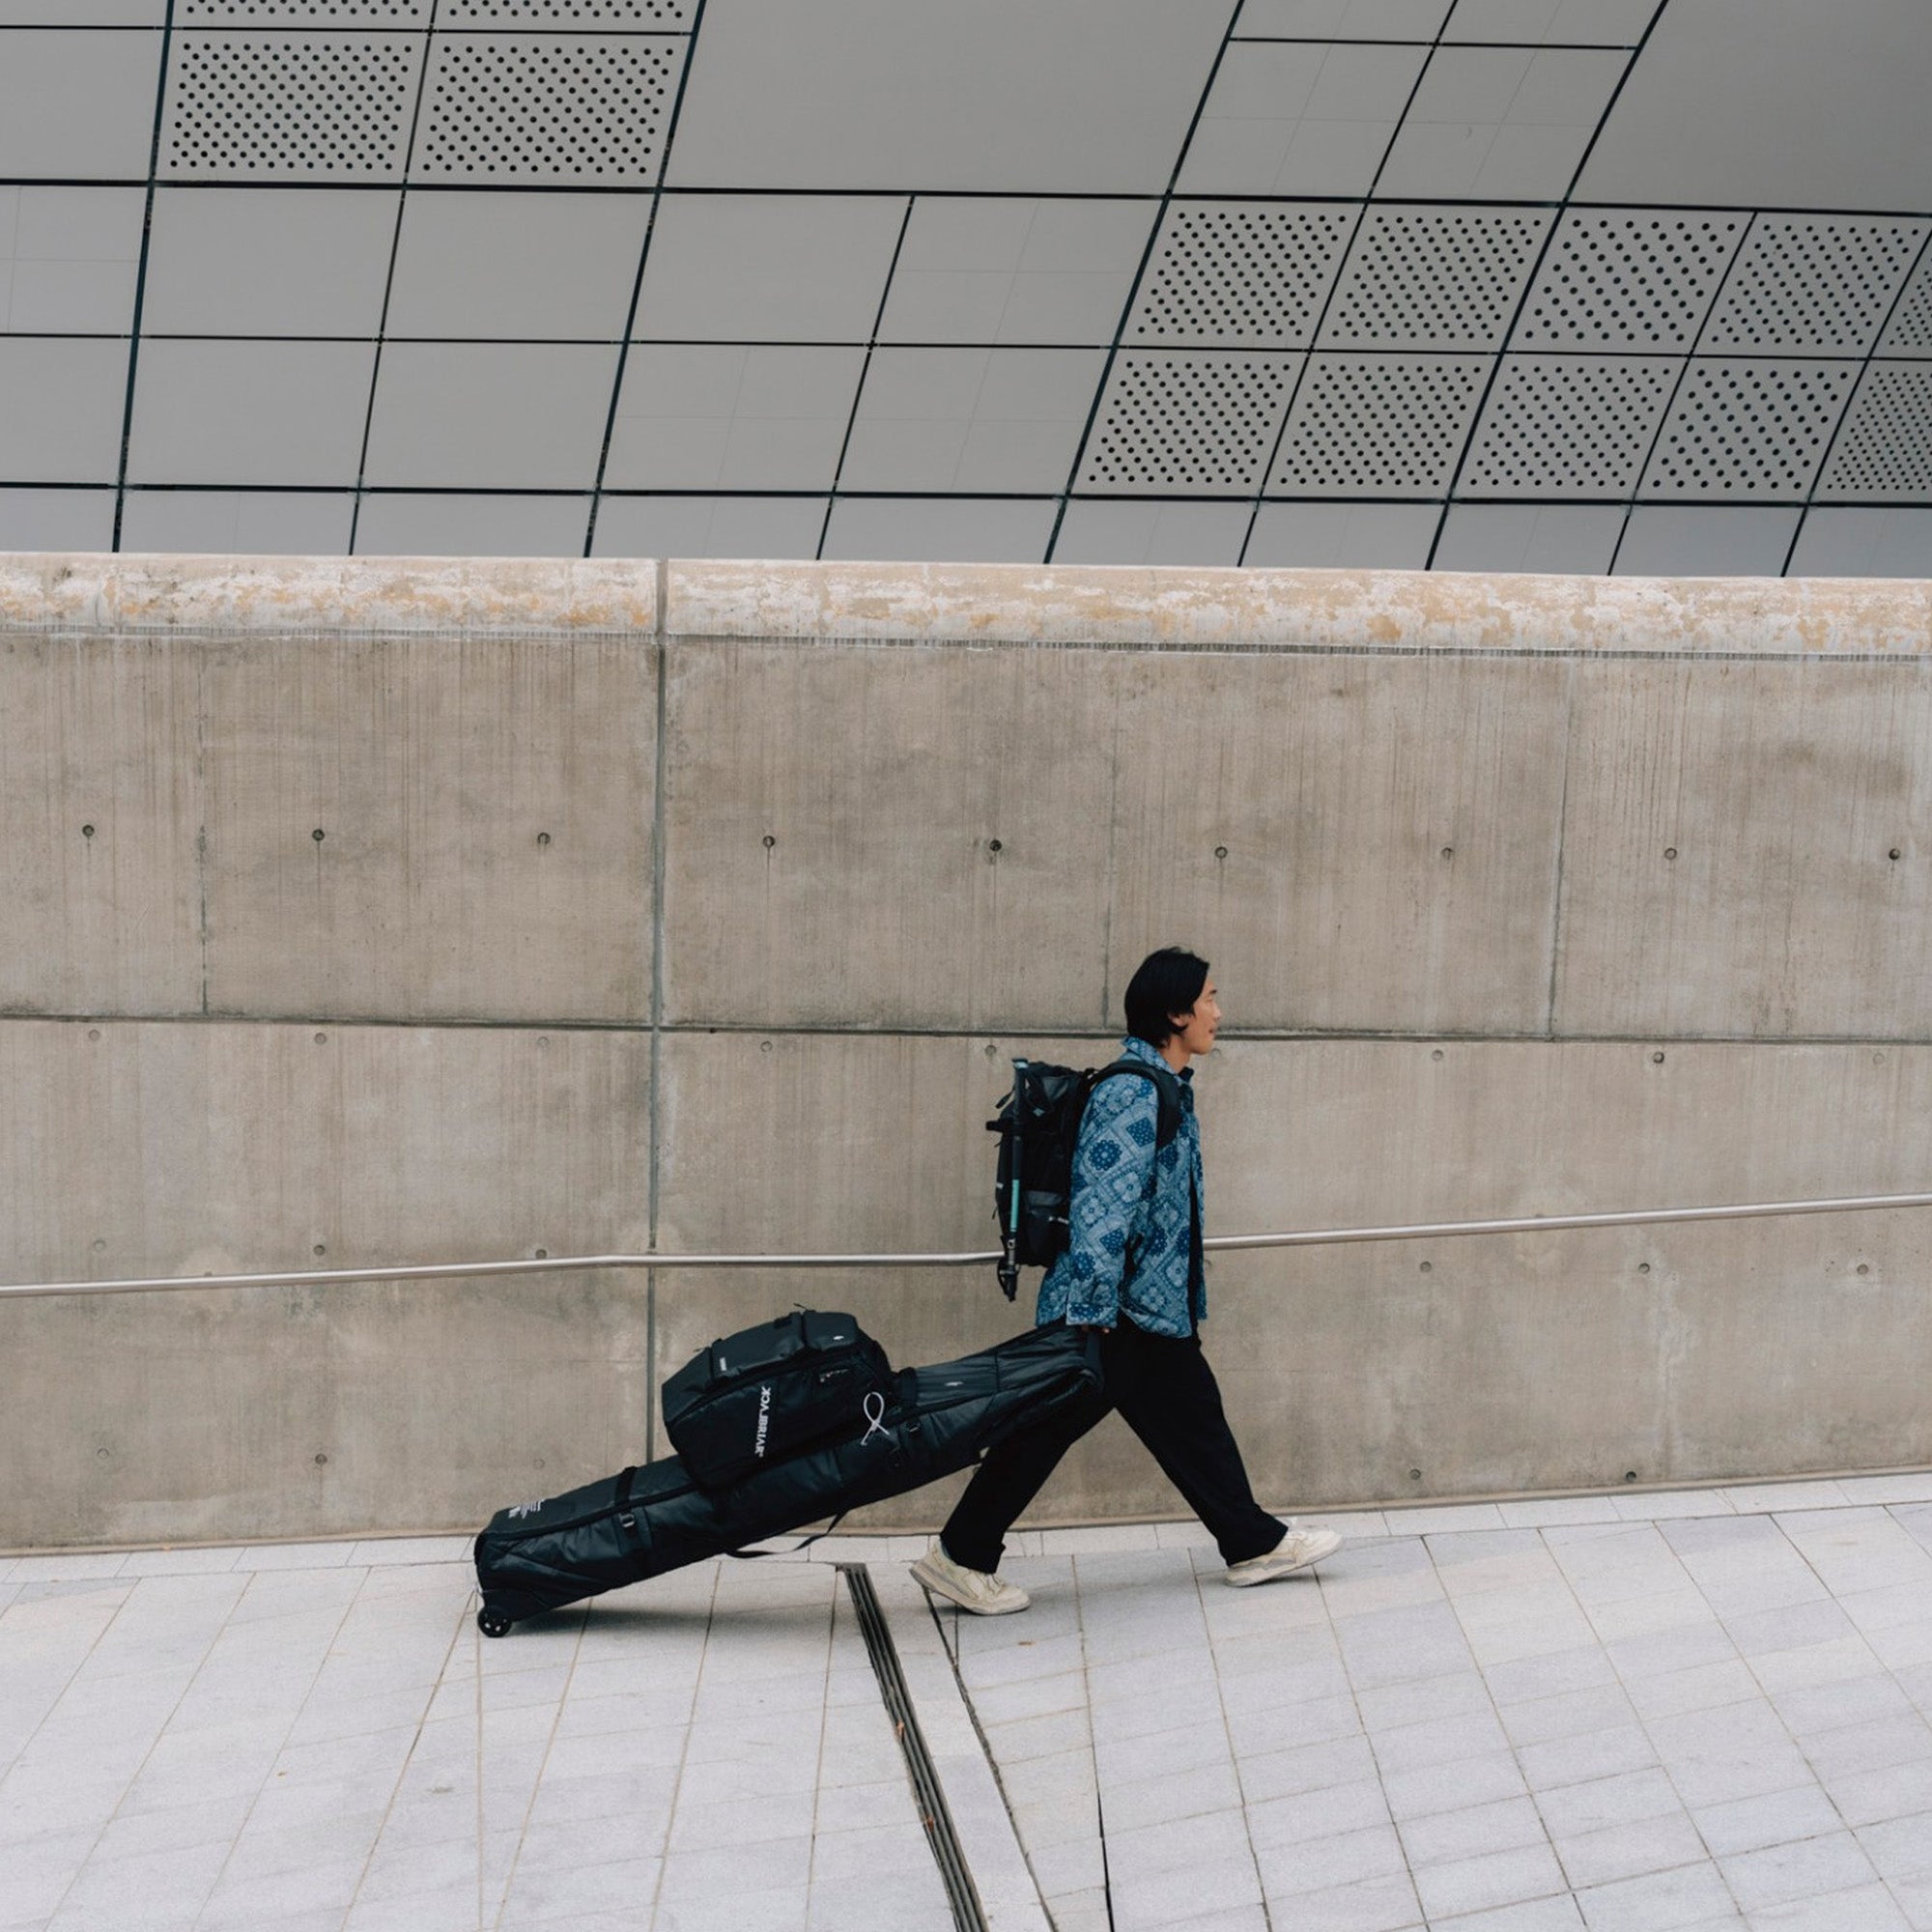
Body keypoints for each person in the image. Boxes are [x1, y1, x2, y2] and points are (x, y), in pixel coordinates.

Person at [912, 947, 1342, 1615]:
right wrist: (1091, 1312)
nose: (1218, 1013)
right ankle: (960, 1555)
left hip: (1146, 1311)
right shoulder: (1132, 1092)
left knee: (1188, 1421)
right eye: (1209, 1000)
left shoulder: (1163, 1087)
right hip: (1115, 1314)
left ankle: (1251, 1542)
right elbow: (1102, 1210)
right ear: (1175, 1013)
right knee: (1045, 1432)